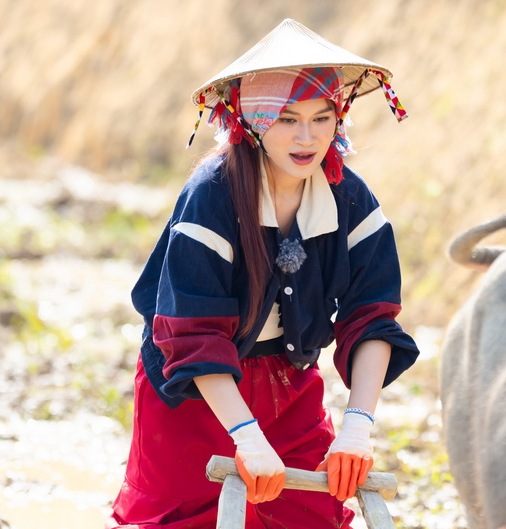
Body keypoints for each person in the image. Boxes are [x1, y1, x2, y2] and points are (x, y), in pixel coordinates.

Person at [106, 18, 419, 529]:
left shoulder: (349, 196)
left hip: (289, 386)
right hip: (195, 390)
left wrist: (357, 428)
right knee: (184, 519)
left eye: (322, 118)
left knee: (310, 516)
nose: (307, 137)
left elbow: (372, 316)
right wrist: (246, 437)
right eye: (286, 118)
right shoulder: (212, 194)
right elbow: (192, 335)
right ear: (251, 120)